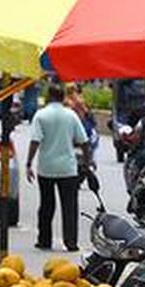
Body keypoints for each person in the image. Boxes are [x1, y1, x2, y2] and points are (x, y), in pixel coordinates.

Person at [27, 82, 91, 252]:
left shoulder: (41, 115)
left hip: (46, 168)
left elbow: (35, 141)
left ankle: (44, 240)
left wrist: (28, 163)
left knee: (46, 205)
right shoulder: (71, 115)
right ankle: (71, 242)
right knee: (69, 206)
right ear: (63, 97)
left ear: (48, 96)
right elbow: (84, 142)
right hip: (68, 169)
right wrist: (86, 163)